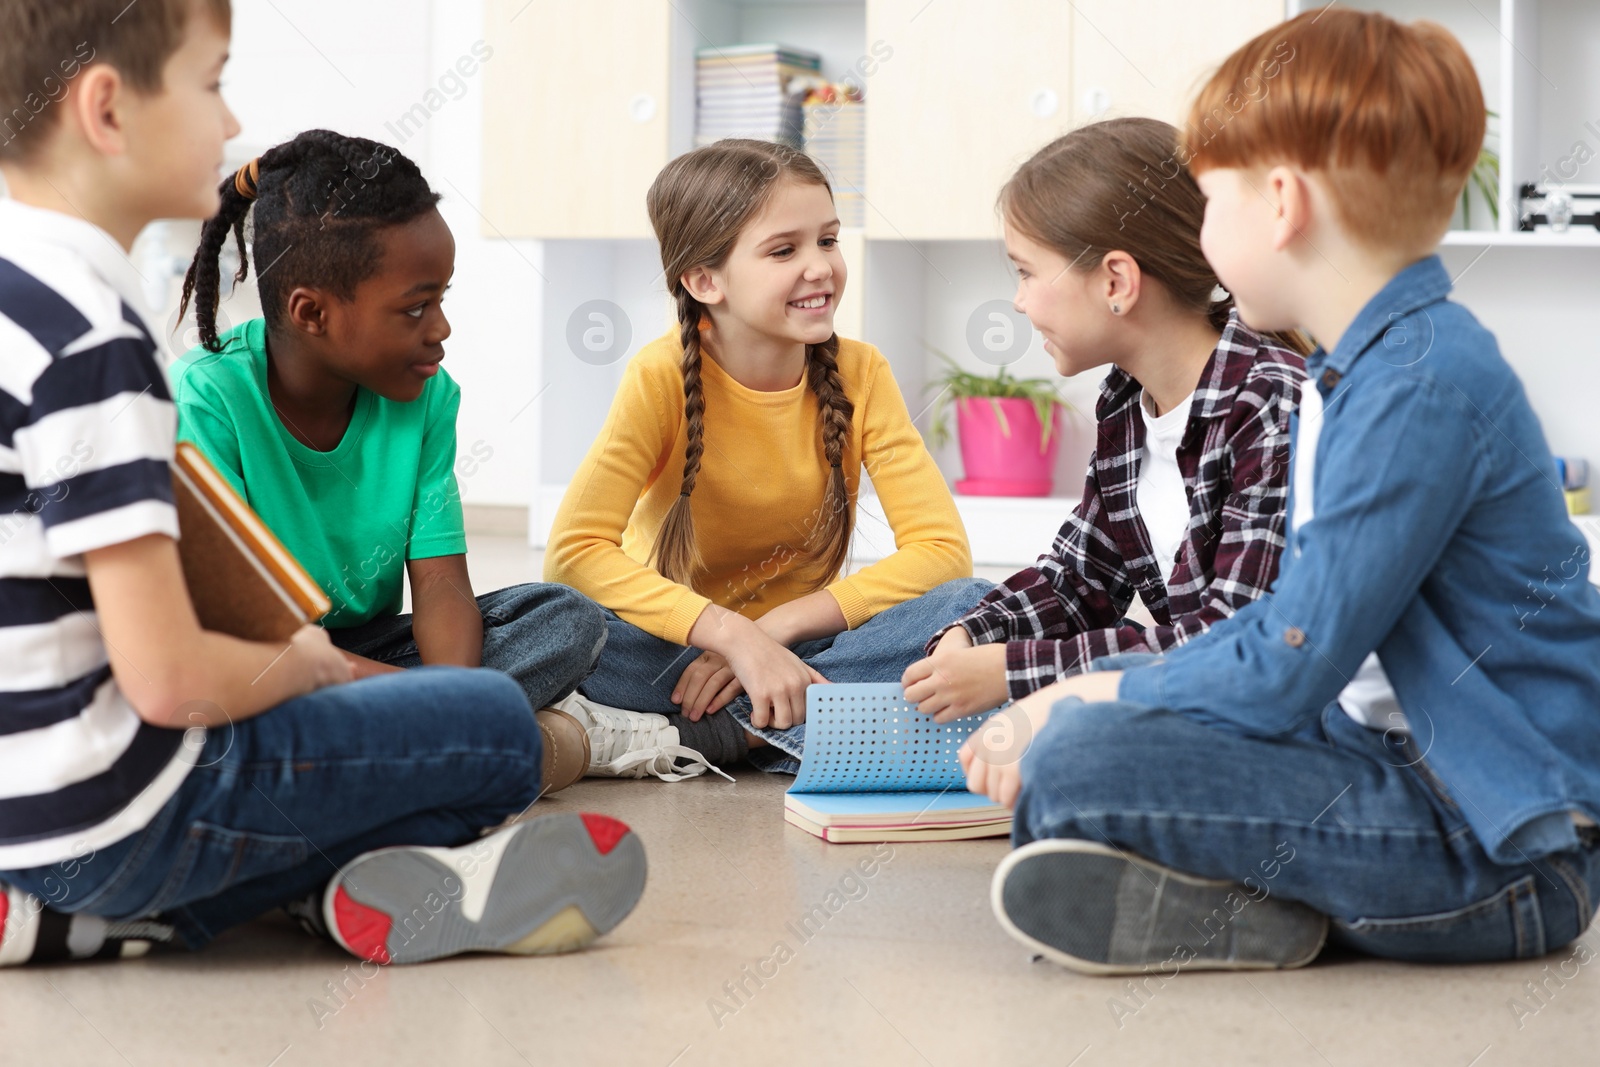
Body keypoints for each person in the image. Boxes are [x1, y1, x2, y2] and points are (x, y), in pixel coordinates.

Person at [0, 0, 644, 969]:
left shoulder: (24, 292)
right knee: (501, 732)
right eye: (211, 82)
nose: (227, 126)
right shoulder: (100, 335)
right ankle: (265, 893)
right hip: (114, 814)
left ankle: (74, 921)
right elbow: (171, 677)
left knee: (530, 639)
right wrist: (309, 666)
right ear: (106, 110)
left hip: (26, 804)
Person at [969, 8, 1600, 974]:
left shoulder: (1416, 387)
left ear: (1281, 203)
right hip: (1384, 764)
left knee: (1075, 759)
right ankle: (1245, 904)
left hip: (1498, 845)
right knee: (1083, 754)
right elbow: (1291, 648)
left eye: (1210, 200)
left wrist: (1087, 690)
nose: (1202, 234)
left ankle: (1236, 900)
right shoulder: (1354, 372)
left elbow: (1287, 662)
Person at [173, 128, 606, 794]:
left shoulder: (426, 398)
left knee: (567, 620)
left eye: (442, 299)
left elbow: (440, 586)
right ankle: (474, 748)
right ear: (311, 312)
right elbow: (239, 632)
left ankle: (416, 746)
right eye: (415, 307)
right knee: (215, 709)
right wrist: (441, 706)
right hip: (263, 660)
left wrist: (448, 698)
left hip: (370, 657)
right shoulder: (209, 399)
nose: (440, 329)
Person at [544, 138, 988, 777]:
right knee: (552, 623)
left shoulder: (862, 372)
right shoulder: (659, 375)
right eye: (785, 250)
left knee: (976, 605)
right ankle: (798, 728)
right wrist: (730, 635)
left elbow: (943, 554)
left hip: (805, 645)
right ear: (704, 280)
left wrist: (772, 632)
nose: (821, 267)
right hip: (671, 651)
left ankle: (693, 737)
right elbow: (575, 553)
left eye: (828, 241)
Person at [903, 117, 1307, 722]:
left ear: (1116, 280)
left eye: (1026, 271)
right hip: (1204, 710)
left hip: (1283, 725)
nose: (1018, 301)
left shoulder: (1270, 404)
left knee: (1065, 750)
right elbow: (1077, 580)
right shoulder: (1125, 401)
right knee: (954, 609)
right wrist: (975, 639)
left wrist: (1013, 673)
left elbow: (1234, 642)